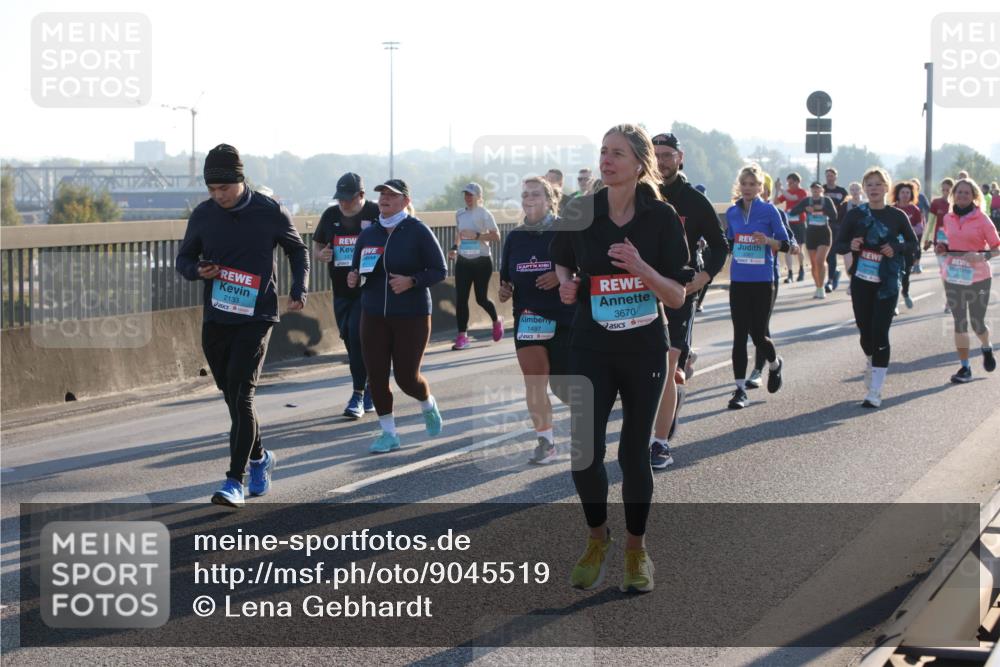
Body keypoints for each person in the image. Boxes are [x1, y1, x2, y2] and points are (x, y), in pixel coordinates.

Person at [551, 124, 690, 594]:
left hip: (643, 347)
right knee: (584, 451)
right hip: (590, 342)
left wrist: (640, 267)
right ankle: (596, 540)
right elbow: (562, 260)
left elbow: (675, 296)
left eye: (617, 154)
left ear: (639, 164)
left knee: (634, 453)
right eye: (603, 152)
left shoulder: (662, 218)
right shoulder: (579, 211)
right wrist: (569, 282)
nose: (607, 161)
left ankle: (636, 550)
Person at [176, 144, 309, 507]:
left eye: (225, 189)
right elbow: (184, 259)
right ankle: (260, 457)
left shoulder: (269, 211)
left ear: (240, 180)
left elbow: (297, 250)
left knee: (243, 392)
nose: (218, 196)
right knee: (232, 398)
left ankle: (234, 481)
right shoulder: (203, 215)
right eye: (212, 190)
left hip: (257, 315)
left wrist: (299, 287)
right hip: (217, 316)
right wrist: (197, 270)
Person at [647, 132, 729, 469]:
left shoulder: (694, 201)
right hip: (640, 292)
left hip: (679, 293)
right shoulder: (639, 195)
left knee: (667, 366)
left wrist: (704, 276)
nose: (662, 161)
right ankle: (679, 375)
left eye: (667, 154)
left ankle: (659, 443)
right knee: (650, 371)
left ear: (680, 158)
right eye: (656, 155)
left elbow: (720, 245)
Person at [347, 179, 447, 453]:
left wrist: (412, 281)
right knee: (376, 376)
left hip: (411, 314)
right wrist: (353, 277)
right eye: (382, 195)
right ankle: (389, 433)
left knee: (406, 377)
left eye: (392, 195)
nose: (384, 199)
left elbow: (440, 270)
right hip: (373, 313)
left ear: (405, 201)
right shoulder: (369, 234)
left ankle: (427, 402)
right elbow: (357, 270)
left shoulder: (417, 230)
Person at [498, 176, 576, 464]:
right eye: (525, 195)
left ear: (549, 199)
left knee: (565, 388)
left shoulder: (564, 230)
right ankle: (546, 442)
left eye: (535, 195)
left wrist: (561, 275)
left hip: (566, 316)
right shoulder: (515, 237)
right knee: (534, 380)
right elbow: (507, 280)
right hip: (529, 317)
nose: (529, 199)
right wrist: (505, 290)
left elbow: (587, 267)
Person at [833, 167, 917, 408]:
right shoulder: (855, 215)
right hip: (861, 281)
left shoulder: (897, 216)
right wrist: (852, 244)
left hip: (888, 283)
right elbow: (838, 245)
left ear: (886, 187)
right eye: (869, 184)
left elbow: (912, 244)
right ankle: (871, 360)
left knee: (880, 331)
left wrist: (896, 247)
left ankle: (875, 391)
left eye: (878, 184)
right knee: (865, 332)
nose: (874, 189)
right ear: (864, 188)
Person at [313, 173, 380, 419]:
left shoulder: (375, 213)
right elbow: (318, 245)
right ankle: (371, 385)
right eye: (340, 199)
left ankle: (358, 394)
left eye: (348, 199)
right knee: (351, 341)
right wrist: (321, 256)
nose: (343, 204)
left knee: (356, 336)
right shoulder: (330, 215)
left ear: (361, 196)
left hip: (369, 290)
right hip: (341, 290)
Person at [724, 164, 788, 409]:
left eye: (753, 184)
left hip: (762, 281)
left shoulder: (770, 211)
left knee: (758, 334)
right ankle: (740, 390)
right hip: (739, 280)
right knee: (739, 335)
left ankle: (774, 363)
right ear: (739, 186)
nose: (748, 188)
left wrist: (768, 240)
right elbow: (730, 240)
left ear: (761, 187)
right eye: (744, 184)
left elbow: (784, 243)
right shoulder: (732, 212)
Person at [935, 178, 1000, 383]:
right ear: (954, 195)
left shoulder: (982, 219)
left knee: (977, 322)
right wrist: (942, 247)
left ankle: (986, 346)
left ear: (974, 196)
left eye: (967, 193)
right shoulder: (948, 218)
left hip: (979, 277)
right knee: (959, 322)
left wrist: (983, 256)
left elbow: (997, 247)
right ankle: (965, 368)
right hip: (954, 275)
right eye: (959, 192)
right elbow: (945, 240)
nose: (962, 196)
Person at [746, 173, 799, 389]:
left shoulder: (774, 212)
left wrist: (787, 245)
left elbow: (789, 239)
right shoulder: (739, 212)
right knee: (748, 325)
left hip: (768, 277)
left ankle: (759, 369)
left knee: (760, 325)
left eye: (759, 188)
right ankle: (771, 361)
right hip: (743, 278)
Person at [447, 182, 503, 350]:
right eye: (466, 194)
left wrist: (477, 236)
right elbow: (460, 233)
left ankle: (496, 320)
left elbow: (497, 236)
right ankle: (462, 336)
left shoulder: (485, 214)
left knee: (481, 299)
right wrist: (454, 248)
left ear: (479, 197)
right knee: (461, 299)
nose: (467, 198)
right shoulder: (459, 214)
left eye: (471, 195)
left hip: (481, 261)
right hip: (463, 261)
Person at [788, 181, 838, 299]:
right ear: (811, 191)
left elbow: (834, 216)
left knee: (820, 261)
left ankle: (822, 288)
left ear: (821, 190)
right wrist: (805, 209)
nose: (815, 191)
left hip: (824, 233)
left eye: (818, 189)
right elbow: (793, 211)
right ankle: (818, 287)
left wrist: (823, 209)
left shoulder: (826, 201)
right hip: (811, 234)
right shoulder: (807, 201)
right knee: (814, 263)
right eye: (813, 189)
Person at [890, 180, 924, 309]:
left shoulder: (914, 209)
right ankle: (894, 304)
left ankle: (905, 292)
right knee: (894, 274)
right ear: (897, 194)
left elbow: (920, 228)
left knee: (905, 275)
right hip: (893, 247)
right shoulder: (892, 209)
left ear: (911, 195)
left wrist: (907, 231)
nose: (905, 195)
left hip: (908, 248)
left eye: (907, 192)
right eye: (902, 192)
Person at [924, 178, 955, 312]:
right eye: (943, 189)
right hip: (940, 243)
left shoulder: (958, 204)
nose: (945, 192)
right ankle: (949, 300)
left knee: (953, 272)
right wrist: (926, 239)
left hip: (955, 243)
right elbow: (930, 222)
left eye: (948, 190)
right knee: (944, 272)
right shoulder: (936, 203)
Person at [775, 172, 809, 282]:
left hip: (799, 223)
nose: (789, 185)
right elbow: (776, 202)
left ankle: (801, 269)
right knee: (788, 248)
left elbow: (792, 198)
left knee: (798, 247)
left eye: (791, 183)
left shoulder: (802, 192)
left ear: (797, 182)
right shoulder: (787, 192)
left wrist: (781, 189)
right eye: (788, 183)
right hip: (789, 223)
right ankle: (789, 273)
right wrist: (777, 190)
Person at [823, 168, 848, 290]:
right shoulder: (822, 190)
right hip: (823, 224)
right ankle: (835, 273)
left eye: (832, 175)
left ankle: (830, 280)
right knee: (827, 255)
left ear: (835, 177)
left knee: (832, 252)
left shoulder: (842, 191)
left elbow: (845, 207)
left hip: (837, 224)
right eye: (827, 175)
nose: (829, 177)